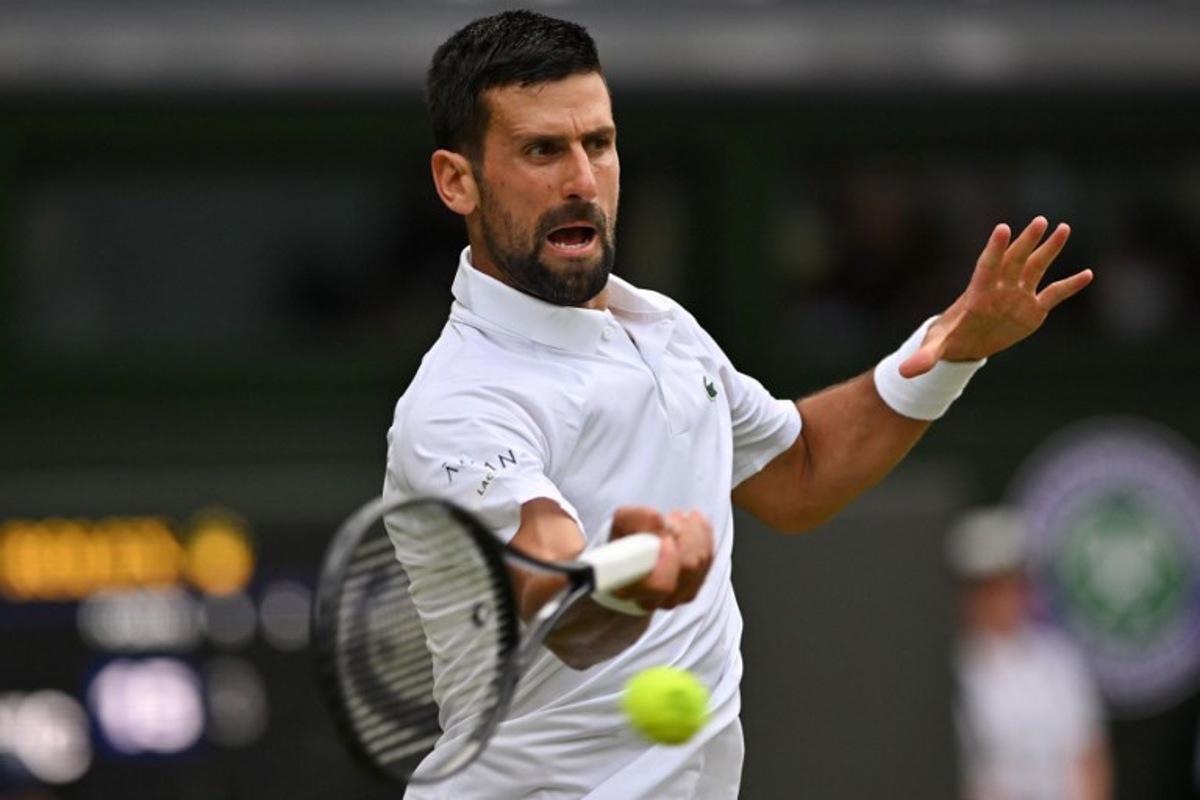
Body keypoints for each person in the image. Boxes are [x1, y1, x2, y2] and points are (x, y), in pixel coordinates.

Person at [383, 10, 1093, 799]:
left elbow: (802, 472)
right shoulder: (458, 405)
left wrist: (954, 350)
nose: (582, 179)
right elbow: (552, 587)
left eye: (600, 143)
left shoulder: (662, 329)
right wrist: (628, 575)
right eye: (542, 151)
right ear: (458, 180)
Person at [948, 507, 1112, 800]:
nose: (1004, 597)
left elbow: (1090, 758)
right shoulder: (956, 666)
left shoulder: (1060, 661)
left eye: (1013, 582)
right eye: (989, 587)